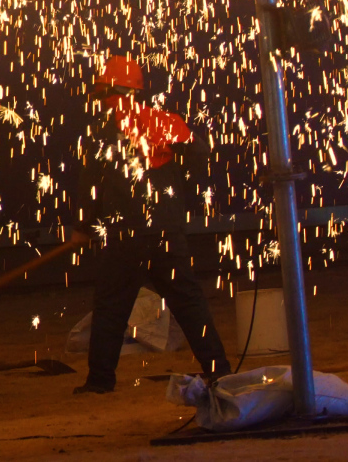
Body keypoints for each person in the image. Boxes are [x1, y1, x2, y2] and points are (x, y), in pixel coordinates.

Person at [72, 55, 231, 395]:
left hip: (123, 234)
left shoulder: (104, 130)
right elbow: (199, 154)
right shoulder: (163, 121)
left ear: (109, 90)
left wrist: (84, 226)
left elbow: (91, 184)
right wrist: (175, 190)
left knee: (112, 307)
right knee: (188, 302)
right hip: (165, 231)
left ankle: (100, 380)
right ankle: (219, 370)